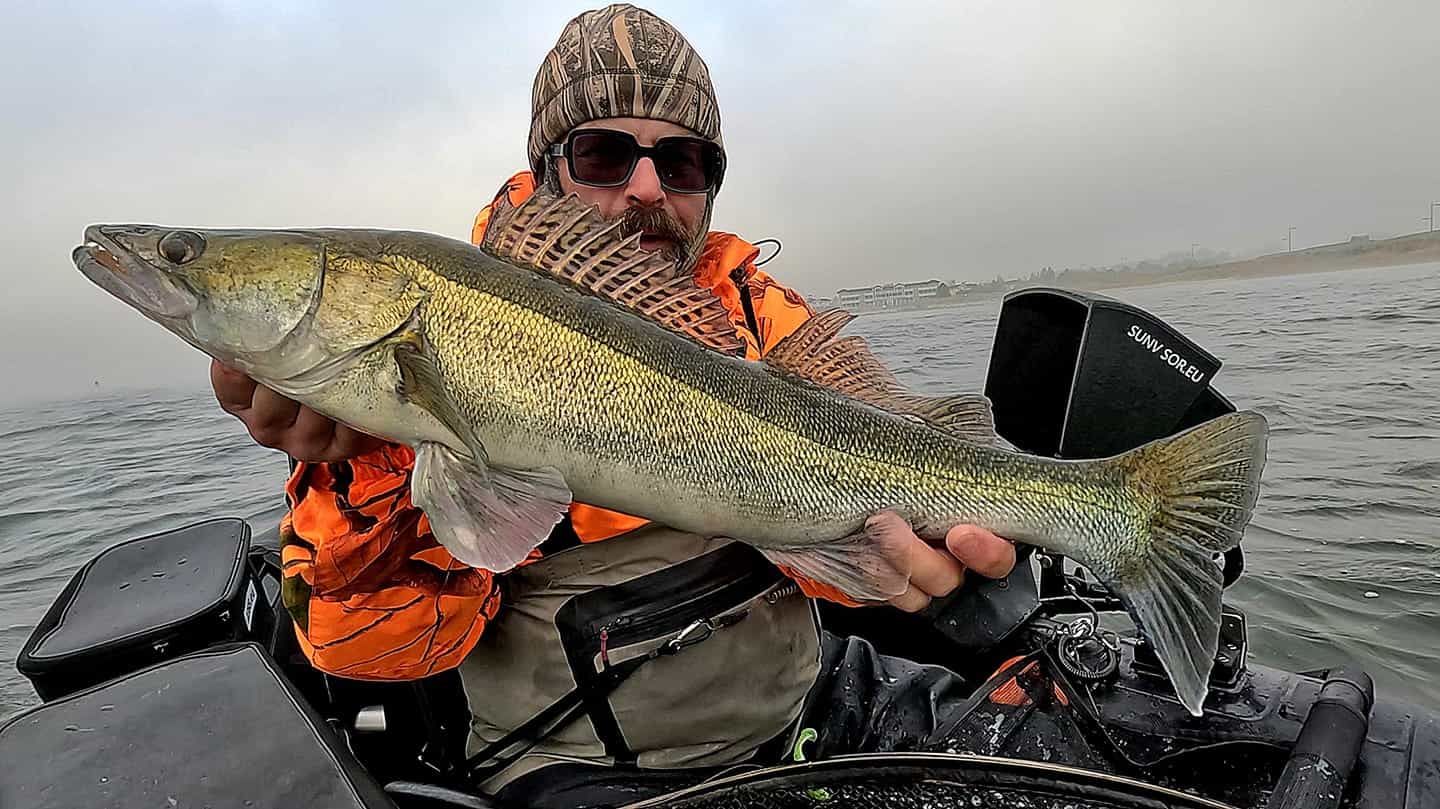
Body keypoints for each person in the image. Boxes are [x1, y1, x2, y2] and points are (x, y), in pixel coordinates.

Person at [211, 5, 1017, 806]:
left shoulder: (763, 319)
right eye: (604, 154)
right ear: (548, 169)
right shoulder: (438, 327)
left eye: (685, 161)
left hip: (804, 707)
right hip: (579, 763)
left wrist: (909, 559)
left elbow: (852, 552)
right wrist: (373, 457)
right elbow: (371, 650)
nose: (645, 188)